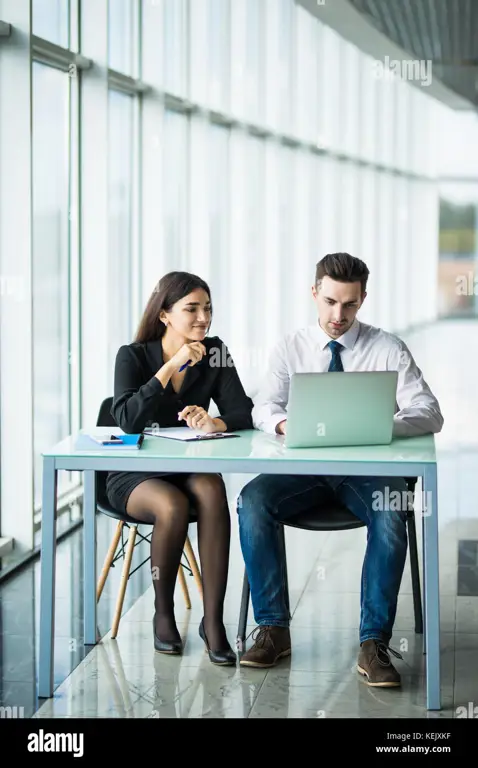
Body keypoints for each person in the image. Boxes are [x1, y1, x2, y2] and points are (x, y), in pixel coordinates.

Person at [237, 252, 444, 687]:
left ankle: (373, 645)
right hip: (302, 471)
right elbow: (263, 406)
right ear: (314, 293)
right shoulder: (289, 347)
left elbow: (429, 412)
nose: (338, 315)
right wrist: (282, 423)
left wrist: (378, 426)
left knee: (393, 511)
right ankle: (273, 630)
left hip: (366, 472)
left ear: (363, 299)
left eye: (349, 304)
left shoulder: (387, 348)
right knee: (252, 500)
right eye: (330, 302)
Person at [107, 271, 253, 665]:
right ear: (165, 315)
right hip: (136, 473)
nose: (203, 318)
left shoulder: (215, 350)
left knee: (211, 488)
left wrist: (214, 423)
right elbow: (127, 419)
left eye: (207, 308)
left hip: (187, 464)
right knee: (170, 506)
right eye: (192, 309)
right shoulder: (133, 355)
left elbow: (243, 411)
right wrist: (170, 365)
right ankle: (163, 612)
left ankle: (214, 622)